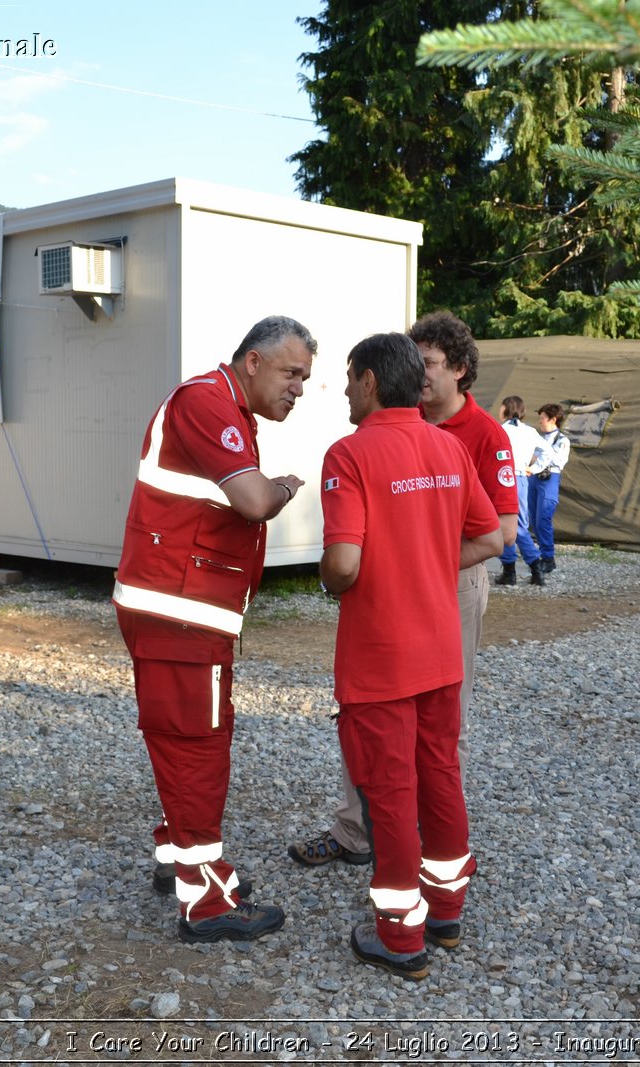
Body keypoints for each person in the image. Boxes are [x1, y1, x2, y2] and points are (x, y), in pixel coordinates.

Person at [289, 310, 517, 868]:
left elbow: (499, 535)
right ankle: (418, 877)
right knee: (413, 744)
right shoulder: (441, 445)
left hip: (426, 603)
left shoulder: (476, 437)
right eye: (418, 364)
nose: (423, 375)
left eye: (433, 364)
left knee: (409, 748)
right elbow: (485, 529)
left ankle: (403, 901)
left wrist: (407, 563)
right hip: (423, 602)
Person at [113, 315, 315, 944]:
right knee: (198, 745)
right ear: (251, 362)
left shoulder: (220, 405)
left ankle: (180, 861)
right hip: (181, 610)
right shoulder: (207, 400)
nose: (299, 389)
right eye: (290, 373)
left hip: (182, 608)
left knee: (188, 738)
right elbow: (252, 501)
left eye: (305, 378)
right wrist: (281, 487)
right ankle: (205, 900)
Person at [319, 331, 502, 979]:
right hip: (440, 652)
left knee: (391, 794)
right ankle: (446, 911)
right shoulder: (448, 445)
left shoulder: (349, 452)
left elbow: (343, 562)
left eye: (347, 378)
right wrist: (426, 563)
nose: (342, 390)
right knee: (441, 775)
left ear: (369, 381)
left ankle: (400, 936)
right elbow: (489, 534)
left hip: (381, 659)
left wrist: (332, 575)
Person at [495, 395, 545, 586]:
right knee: (519, 523)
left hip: (503, 478)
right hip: (522, 478)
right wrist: (533, 468)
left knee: (506, 524)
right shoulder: (530, 431)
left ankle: (513, 570)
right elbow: (548, 452)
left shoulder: (500, 430)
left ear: (506, 408)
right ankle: (534, 569)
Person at [527, 402, 571, 574]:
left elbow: (556, 461)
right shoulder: (537, 437)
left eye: (543, 418)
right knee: (533, 517)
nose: (540, 421)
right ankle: (540, 552)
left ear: (553, 420)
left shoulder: (562, 440)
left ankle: (548, 557)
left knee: (543, 518)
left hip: (549, 478)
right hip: (534, 477)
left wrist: (538, 458)